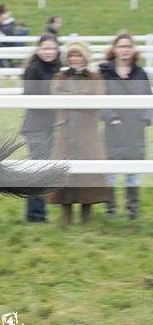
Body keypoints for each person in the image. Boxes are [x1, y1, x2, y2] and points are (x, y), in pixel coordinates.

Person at [46, 41, 110, 227]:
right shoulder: (59, 77)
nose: (74, 59)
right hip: (66, 131)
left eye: (78, 55)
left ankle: (85, 220)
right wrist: (81, 96)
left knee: (87, 175)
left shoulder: (96, 77)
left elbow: (97, 100)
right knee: (64, 174)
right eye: (71, 55)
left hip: (87, 133)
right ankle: (66, 219)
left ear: (85, 57)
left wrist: (73, 96)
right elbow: (56, 98)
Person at [99, 32, 152, 220]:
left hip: (135, 131)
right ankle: (111, 212)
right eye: (121, 46)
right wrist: (110, 117)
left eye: (128, 46)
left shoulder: (140, 74)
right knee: (110, 175)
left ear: (133, 49)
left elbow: (149, 99)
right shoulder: (105, 73)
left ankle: (133, 212)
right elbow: (98, 100)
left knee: (133, 175)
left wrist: (145, 120)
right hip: (113, 130)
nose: (125, 50)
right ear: (114, 49)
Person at [20, 34, 62, 223]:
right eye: (45, 48)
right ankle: (35, 215)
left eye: (52, 48)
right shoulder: (34, 70)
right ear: (38, 50)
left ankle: (39, 213)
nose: (49, 52)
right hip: (37, 127)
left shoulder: (58, 69)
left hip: (52, 126)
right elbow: (31, 97)